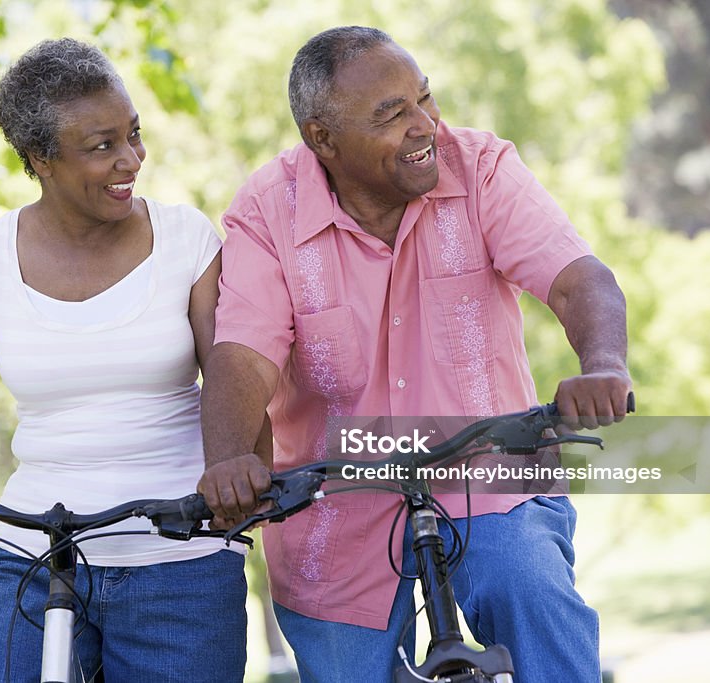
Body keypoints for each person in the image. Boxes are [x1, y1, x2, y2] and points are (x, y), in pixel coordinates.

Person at [197, 26, 632, 683]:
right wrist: (229, 457)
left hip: (491, 481)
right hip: (336, 504)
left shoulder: (480, 166)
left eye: (425, 99)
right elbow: (245, 355)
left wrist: (603, 364)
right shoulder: (265, 211)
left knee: (529, 586)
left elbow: (578, 278)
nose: (425, 124)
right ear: (322, 138)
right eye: (392, 114)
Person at [0, 38, 248, 682]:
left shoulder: (186, 239)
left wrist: (235, 470)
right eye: (102, 146)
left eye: (133, 135)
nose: (131, 160)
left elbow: (232, 374)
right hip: (31, 555)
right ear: (41, 159)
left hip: (180, 556)